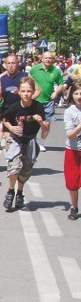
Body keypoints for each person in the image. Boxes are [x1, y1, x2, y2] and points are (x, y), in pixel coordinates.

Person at [1, 77, 49, 211]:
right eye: (23, 91)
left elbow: (45, 129)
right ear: (19, 92)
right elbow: (5, 120)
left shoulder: (38, 107)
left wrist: (40, 121)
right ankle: (11, 191)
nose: (26, 94)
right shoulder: (15, 107)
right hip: (16, 140)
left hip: (30, 141)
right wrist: (11, 128)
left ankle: (20, 192)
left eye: (29, 91)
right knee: (14, 167)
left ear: (33, 92)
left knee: (25, 171)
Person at [31, 51, 66, 151]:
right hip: (35, 101)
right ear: (42, 58)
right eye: (46, 58)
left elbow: (61, 84)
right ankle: (32, 140)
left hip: (48, 101)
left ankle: (41, 142)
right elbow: (28, 80)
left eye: (50, 58)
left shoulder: (56, 71)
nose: (48, 60)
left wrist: (56, 93)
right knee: (32, 123)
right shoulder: (35, 69)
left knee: (47, 124)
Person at [63, 82, 81, 220]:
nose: (79, 96)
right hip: (73, 150)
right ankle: (74, 207)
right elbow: (70, 134)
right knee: (72, 183)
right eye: (76, 93)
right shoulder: (70, 112)